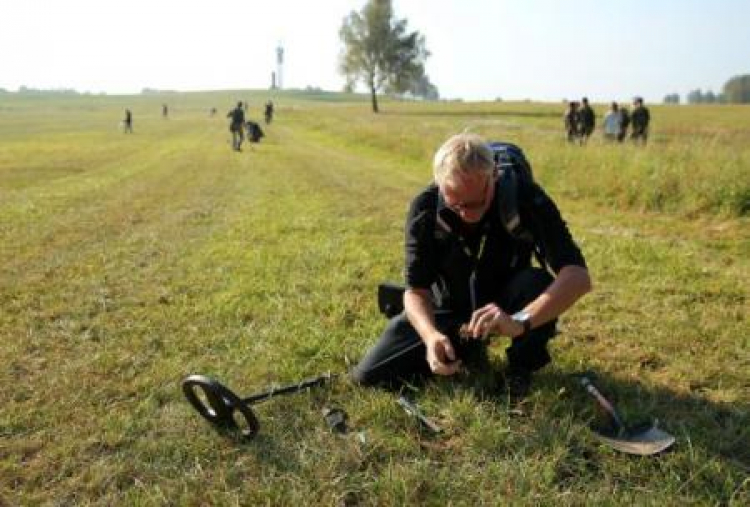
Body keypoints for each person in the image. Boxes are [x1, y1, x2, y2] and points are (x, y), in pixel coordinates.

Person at [351, 133, 592, 397]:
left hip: (505, 300)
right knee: (370, 376)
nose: (469, 214)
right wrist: (430, 336)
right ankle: (463, 344)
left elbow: (577, 275)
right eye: (457, 204)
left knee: (537, 283)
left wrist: (519, 321)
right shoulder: (425, 207)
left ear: (493, 176)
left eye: (479, 201)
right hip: (447, 304)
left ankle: (521, 367)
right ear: (440, 186)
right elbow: (416, 290)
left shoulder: (523, 196)